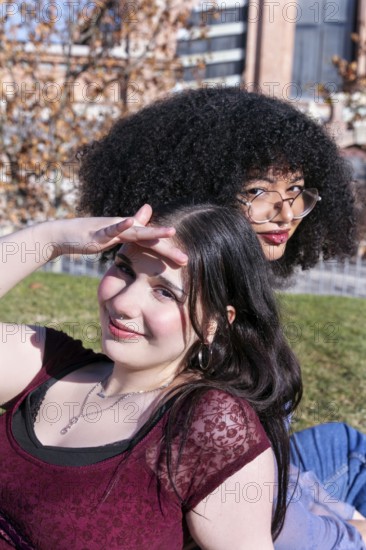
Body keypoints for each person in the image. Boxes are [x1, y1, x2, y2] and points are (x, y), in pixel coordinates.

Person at [77, 86, 366, 549]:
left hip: (289, 487)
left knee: (348, 446)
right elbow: (269, 518)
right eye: (257, 192)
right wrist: (346, 528)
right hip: (280, 517)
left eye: (294, 191)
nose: (285, 213)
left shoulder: (232, 299)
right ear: (200, 192)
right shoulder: (202, 334)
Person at [0, 203, 302, 549]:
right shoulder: (48, 363)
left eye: (164, 292)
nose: (124, 302)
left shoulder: (208, 424)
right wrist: (51, 237)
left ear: (212, 322)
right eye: (125, 270)